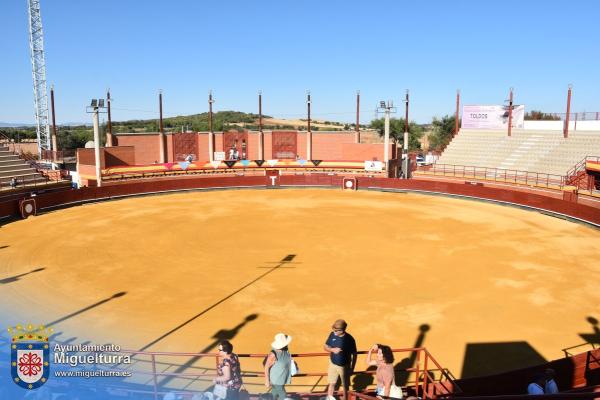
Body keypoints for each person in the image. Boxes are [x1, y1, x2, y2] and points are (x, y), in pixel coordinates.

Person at [324, 319, 357, 400]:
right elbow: (325, 346)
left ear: (342, 330)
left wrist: (352, 368)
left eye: (336, 330)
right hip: (333, 363)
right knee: (331, 383)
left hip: (344, 366)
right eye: (333, 329)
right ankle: (329, 398)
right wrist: (332, 350)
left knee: (345, 386)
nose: (334, 332)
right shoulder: (332, 334)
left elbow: (355, 355)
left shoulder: (350, 339)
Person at [264, 333, 293, 400]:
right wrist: (267, 381)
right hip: (276, 379)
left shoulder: (285, 349)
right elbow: (266, 367)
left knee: (274, 393)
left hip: (281, 378)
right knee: (283, 395)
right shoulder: (273, 354)